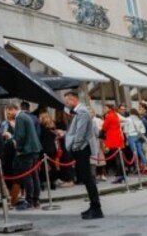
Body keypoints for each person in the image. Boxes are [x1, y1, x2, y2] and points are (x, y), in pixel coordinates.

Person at [64, 91, 103, 220]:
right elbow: (77, 131)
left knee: (87, 178)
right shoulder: (81, 111)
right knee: (86, 178)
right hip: (82, 148)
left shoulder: (81, 112)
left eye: (67, 101)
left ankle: (96, 208)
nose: (66, 104)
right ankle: (93, 206)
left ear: (73, 99)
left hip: (82, 149)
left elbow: (80, 132)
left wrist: (74, 147)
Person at [4, 103, 41, 210]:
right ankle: (35, 200)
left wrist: (12, 141)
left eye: (9, 112)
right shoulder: (26, 116)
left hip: (26, 152)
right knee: (34, 176)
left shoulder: (19, 118)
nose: (8, 114)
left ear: (13, 109)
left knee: (27, 176)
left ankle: (29, 201)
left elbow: (20, 136)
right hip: (34, 150)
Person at [101, 103, 126, 184]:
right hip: (118, 138)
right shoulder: (115, 115)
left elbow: (104, 127)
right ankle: (122, 175)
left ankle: (119, 176)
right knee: (119, 158)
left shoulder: (109, 116)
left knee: (116, 159)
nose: (103, 110)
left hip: (113, 139)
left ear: (109, 108)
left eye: (105, 108)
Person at [38, 112, 59, 190]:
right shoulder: (52, 127)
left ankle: (42, 183)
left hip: (43, 149)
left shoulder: (40, 127)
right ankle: (53, 182)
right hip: (52, 149)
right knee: (53, 166)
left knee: (43, 167)